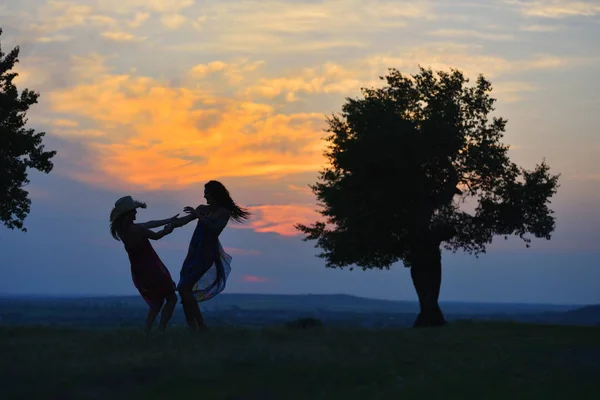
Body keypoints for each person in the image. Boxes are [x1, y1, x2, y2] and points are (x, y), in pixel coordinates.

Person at [172, 180, 251, 331]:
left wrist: (198, 215)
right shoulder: (203, 209)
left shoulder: (223, 213)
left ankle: (200, 326)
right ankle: (193, 327)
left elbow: (214, 229)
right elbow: (186, 220)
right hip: (195, 250)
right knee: (184, 289)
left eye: (207, 193)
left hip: (206, 253)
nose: (204, 196)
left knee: (183, 287)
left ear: (214, 194)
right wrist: (172, 224)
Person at [109, 195, 180, 332]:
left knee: (157, 302)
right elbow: (156, 236)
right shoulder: (137, 230)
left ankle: (147, 330)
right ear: (128, 214)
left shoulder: (123, 231)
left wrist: (168, 220)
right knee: (171, 298)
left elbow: (149, 223)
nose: (136, 212)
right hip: (152, 269)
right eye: (134, 211)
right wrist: (169, 229)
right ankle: (161, 329)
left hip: (139, 271)